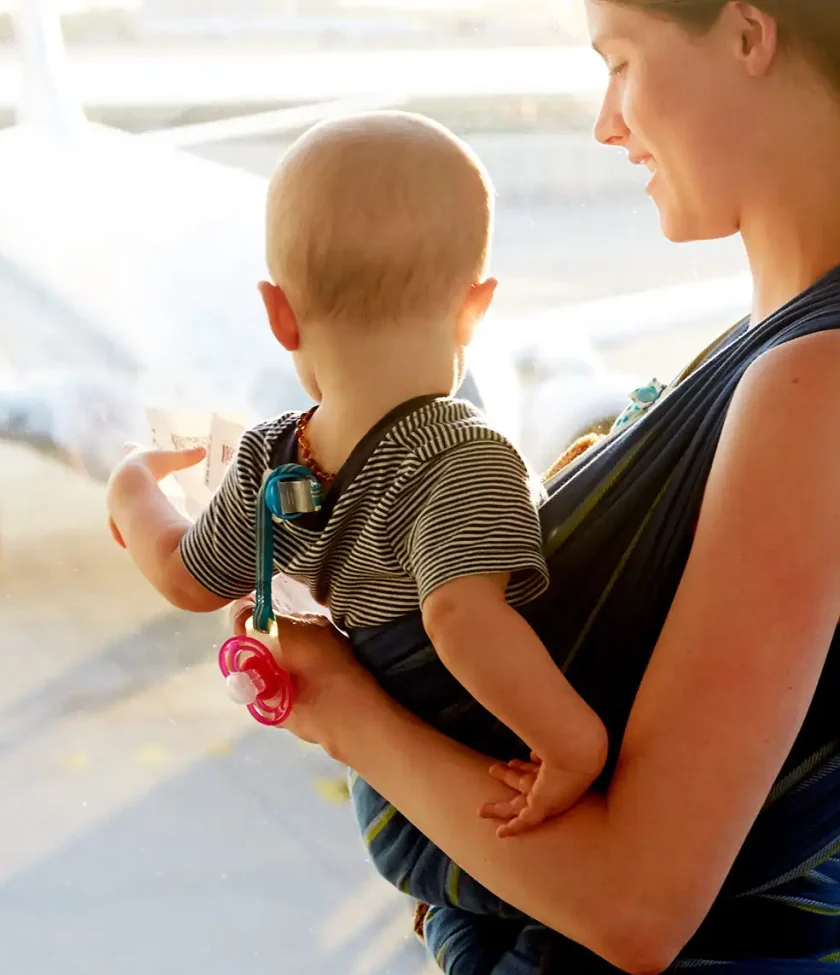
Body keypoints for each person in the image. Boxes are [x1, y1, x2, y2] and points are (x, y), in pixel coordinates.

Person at [220, 2, 840, 975]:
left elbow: (639, 903)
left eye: (622, 62)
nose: (607, 122)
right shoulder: (766, 350)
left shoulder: (808, 384)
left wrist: (339, 707)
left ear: (745, 33)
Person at [106, 110, 612, 880]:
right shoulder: (464, 453)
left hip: (392, 805)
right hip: (468, 790)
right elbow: (458, 615)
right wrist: (574, 746)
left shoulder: (270, 457)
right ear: (475, 306)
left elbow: (182, 574)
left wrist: (132, 486)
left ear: (280, 315)